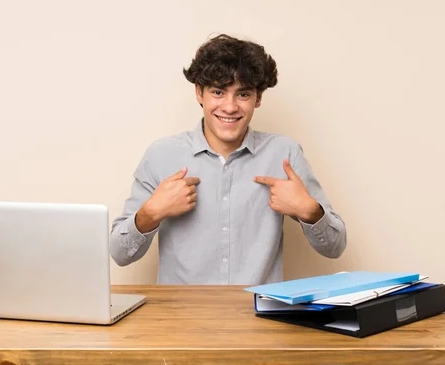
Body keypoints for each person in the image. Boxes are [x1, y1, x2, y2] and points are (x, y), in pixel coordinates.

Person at [110, 34, 346, 285]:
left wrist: (310, 211)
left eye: (243, 94)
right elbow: (119, 254)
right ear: (199, 93)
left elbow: (335, 247)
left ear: (258, 98)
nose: (230, 107)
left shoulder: (285, 154)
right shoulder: (161, 155)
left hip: (258, 316)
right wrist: (151, 213)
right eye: (218, 92)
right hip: (180, 318)